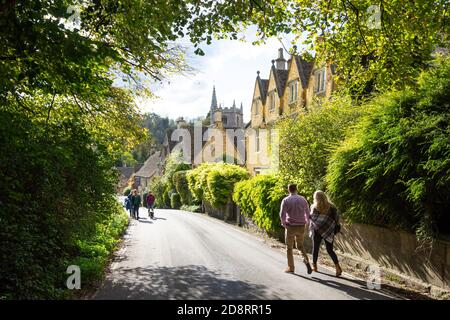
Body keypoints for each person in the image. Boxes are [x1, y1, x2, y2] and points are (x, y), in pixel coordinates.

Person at [279, 184, 313, 274]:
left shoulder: (286, 200)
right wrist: (306, 223)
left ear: (288, 190)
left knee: (289, 248)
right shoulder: (303, 199)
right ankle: (306, 261)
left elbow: (282, 214)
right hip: (301, 226)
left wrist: (284, 223)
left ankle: (291, 267)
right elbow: (307, 212)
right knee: (300, 247)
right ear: (296, 189)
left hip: (290, 226)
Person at [309, 190, 342, 277]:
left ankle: (315, 267)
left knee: (315, 248)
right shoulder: (332, 207)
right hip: (329, 230)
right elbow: (337, 218)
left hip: (317, 230)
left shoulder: (314, 207)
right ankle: (338, 267)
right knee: (330, 250)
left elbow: (312, 218)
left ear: (316, 198)